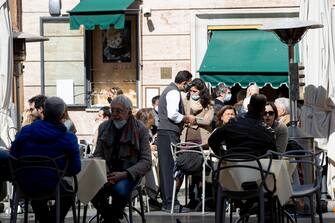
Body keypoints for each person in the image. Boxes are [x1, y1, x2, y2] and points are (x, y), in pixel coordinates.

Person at [10, 96, 81, 223]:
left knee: (37, 193)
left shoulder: (25, 131)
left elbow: (13, 156)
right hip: (51, 185)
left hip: (24, 184)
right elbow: (75, 168)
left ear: (43, 111)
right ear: (62, 114)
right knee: (68, 194)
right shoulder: (68, 138)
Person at [92, 95, 151, 223]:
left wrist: (125, 174)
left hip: (129, 173)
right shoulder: (104, 127)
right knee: (90, 188)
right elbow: (98, 155)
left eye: (119, 111)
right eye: (112, 111)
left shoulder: (140, 129)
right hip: (107, 172)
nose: (114, 115)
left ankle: (109, 219)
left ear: (129, 112)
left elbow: (146, 161)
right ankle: (112, 219)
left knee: (120, 189)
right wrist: (104, 171)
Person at [156, 70, 195, 212]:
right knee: (170, 168)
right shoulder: (173, 92)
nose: (189, 87)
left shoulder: (169, 90)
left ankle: (169, 203)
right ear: (184, 82)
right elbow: (173, 114)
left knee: (167, 168)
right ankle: (170, 204)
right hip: (168, 133)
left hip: (166, 133)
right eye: (188, 84)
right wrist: (187, 118)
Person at [180, 78, 214, 209]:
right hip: (187, 138)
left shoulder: (208, 103)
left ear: (201, 91)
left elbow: (208, 121)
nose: (193, 92)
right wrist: (193, 119)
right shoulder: (185, 100)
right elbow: (182, 117)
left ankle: (201, 198)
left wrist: (192, 119)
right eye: (192, 90)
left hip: (202, 140)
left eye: (196, 90)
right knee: (189, 166)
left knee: (200, 169)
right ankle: (193, 198)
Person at [208, 94, 277, 156]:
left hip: (232, 165)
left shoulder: (233, 123)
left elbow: (212, 141)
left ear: (248, 107)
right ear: (263, 110)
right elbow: (274, 157)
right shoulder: (268, 132)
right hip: (255, 168)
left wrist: (224, 156)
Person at [135, 108, 161, 210]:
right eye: (153, 116)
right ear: (148, 118)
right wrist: (149, 147)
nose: (155, 118)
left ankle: (153, 196)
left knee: (155, 164)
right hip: (139, 162)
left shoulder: (148, 130)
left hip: (146, 158)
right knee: (149, 164)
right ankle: (152, 196)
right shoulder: (140, 130)